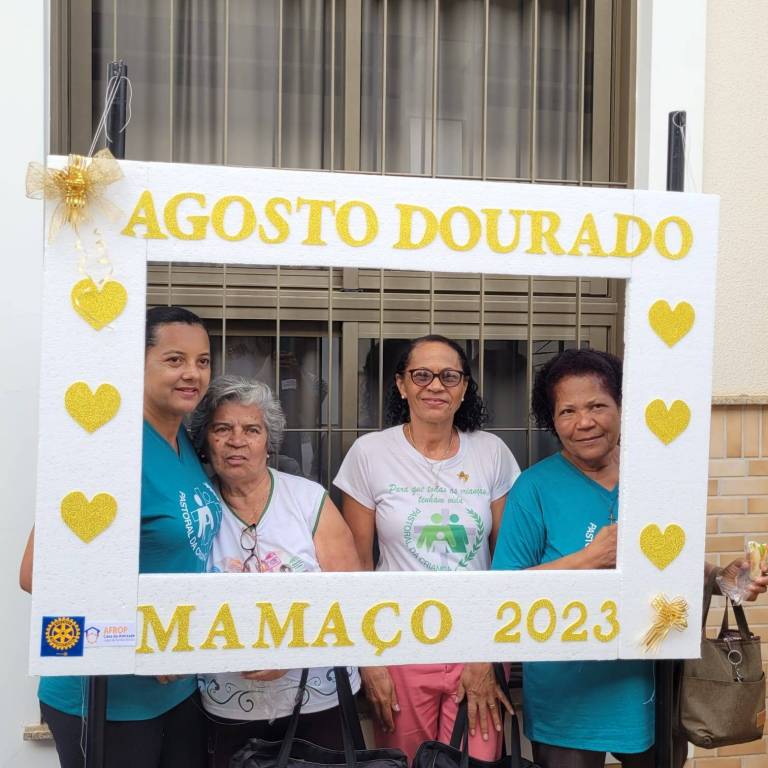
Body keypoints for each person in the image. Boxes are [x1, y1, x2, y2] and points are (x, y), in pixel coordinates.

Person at [491, 348, 768, 768]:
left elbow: (677, 566)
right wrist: (589, 558)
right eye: (567, 411)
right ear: (552, 420)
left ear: (623, 408)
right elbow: (505, 588)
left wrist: (725, 580)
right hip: (566, 697)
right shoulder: (533, 488)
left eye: (597, 406)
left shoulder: (657, 480)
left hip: (651, 689)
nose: (584, 422)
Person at [19, 306, 222, 768]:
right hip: (106, 698)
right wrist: (146, 641)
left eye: (203, 361)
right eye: (174, 360)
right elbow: (36, 574)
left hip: (178, 691)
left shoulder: (184, 443)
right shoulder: (105, 449)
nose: (192, 373)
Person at [333, 334, 520, 761]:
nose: (435, 386)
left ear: (464, 387)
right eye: (421, 375)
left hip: (477, 638)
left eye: (449, 376)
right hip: (398, 640)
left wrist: (488, 654)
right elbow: (356, 566)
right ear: (401, 384)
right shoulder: (369, 453)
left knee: (476, 759)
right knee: (403, 760)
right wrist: (368, 660)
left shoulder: (491, 453)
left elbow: (508, 564)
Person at [189, 375, 362, 768]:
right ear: (206, 440)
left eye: (252, 430)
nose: (237, 441)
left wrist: (293, 649)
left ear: (269, 441)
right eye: (222, 429)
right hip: (227, 704)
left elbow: (351, 595)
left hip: (316, 699)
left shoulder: (307, 499)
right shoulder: (196, 507)